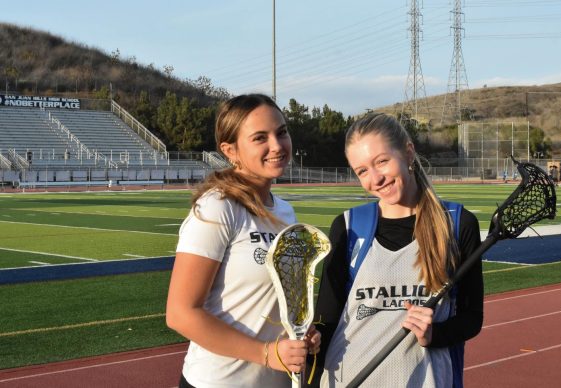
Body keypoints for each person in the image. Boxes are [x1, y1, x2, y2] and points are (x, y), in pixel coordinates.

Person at [310, 113, 483, 387]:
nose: (375, 178)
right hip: (348, 378)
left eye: (382, 161)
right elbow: (326, 322)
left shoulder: (458, 224)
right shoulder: (348, 227)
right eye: (362, 171)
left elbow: (471, 318)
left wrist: (434, 333)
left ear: (408, 153)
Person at [166, 93, 320, 388]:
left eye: (282, 132)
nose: (276, 146)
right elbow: (180, 314)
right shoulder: (217, 207)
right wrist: (266, 353)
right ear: (230, 150)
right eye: (260, 138)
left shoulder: (286, 212)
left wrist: (302, 332)